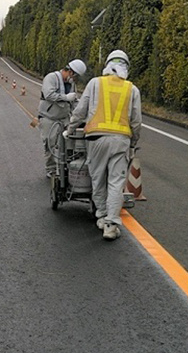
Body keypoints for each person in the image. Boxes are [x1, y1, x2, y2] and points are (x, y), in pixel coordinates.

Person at [66, 50, 142, 240]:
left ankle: (101, 216)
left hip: (96, 139)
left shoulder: (95, 83)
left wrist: (70, 128)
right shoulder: (132, 89)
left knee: (97, 179)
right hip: (121, 140)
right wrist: (133, 143)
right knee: (116, 182)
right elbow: (136, 121)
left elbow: (81, 110)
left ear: (107, 65)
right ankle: (111, 223)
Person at [37, 59, 87, 178]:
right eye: (75, 76)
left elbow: (72, 101)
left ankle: (67, 167)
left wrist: (82, 113)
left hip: (64, 118)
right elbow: (49, 95)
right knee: (50, 144)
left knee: (69, 143)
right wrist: (65, 97)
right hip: (49, 117)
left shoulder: (71, 84)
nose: (74, 79)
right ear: (70, 72)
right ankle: (51, 169)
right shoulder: (51, 78)